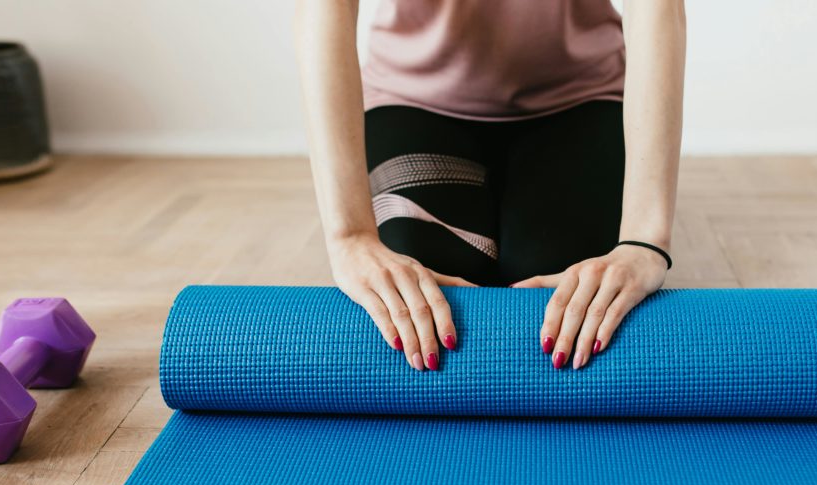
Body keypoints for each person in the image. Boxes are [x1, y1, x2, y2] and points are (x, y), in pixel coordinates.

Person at [294, 0, 686, 371]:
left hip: (580, 98)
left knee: (558, 296)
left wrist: (643, 242)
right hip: (415, 100)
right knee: (427, 291)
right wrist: (351, 237)